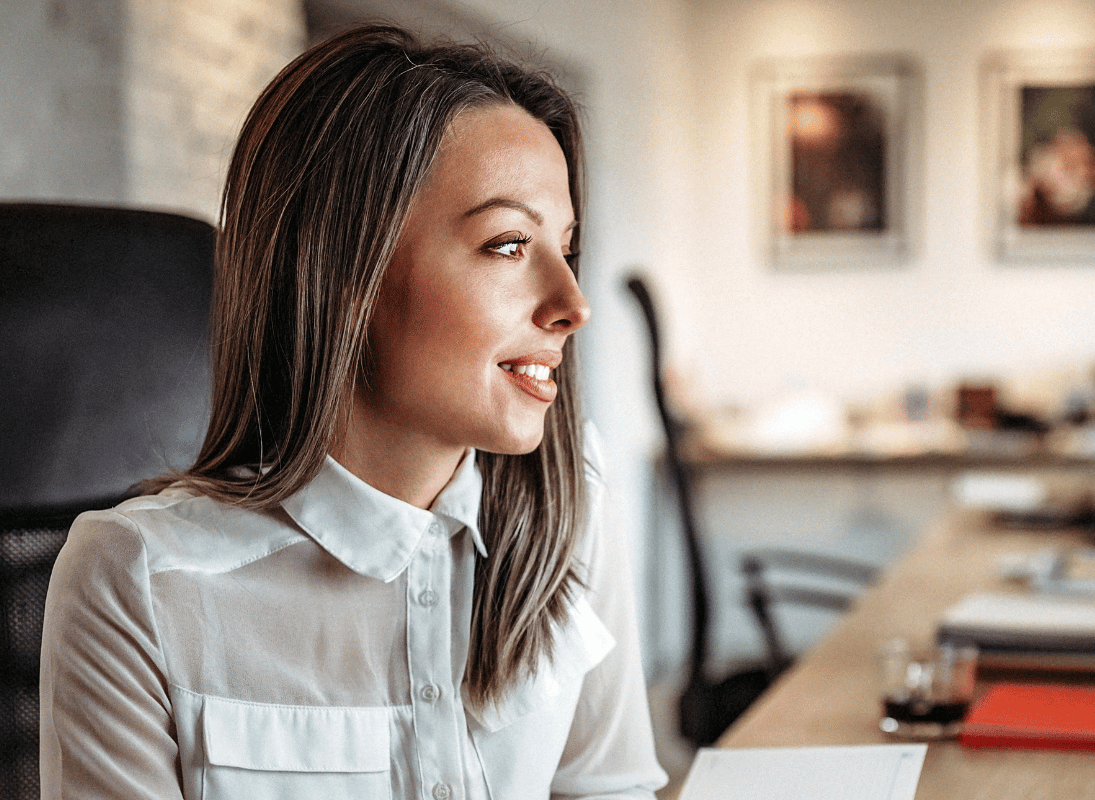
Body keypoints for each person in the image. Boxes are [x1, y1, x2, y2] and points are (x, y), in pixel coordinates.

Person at [38, 25, 667, 800]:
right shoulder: (136, 581)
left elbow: (609, 791)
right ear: (343, 271)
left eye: (565, 249)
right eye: (508, 244)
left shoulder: (569, 496)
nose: (573, 304)